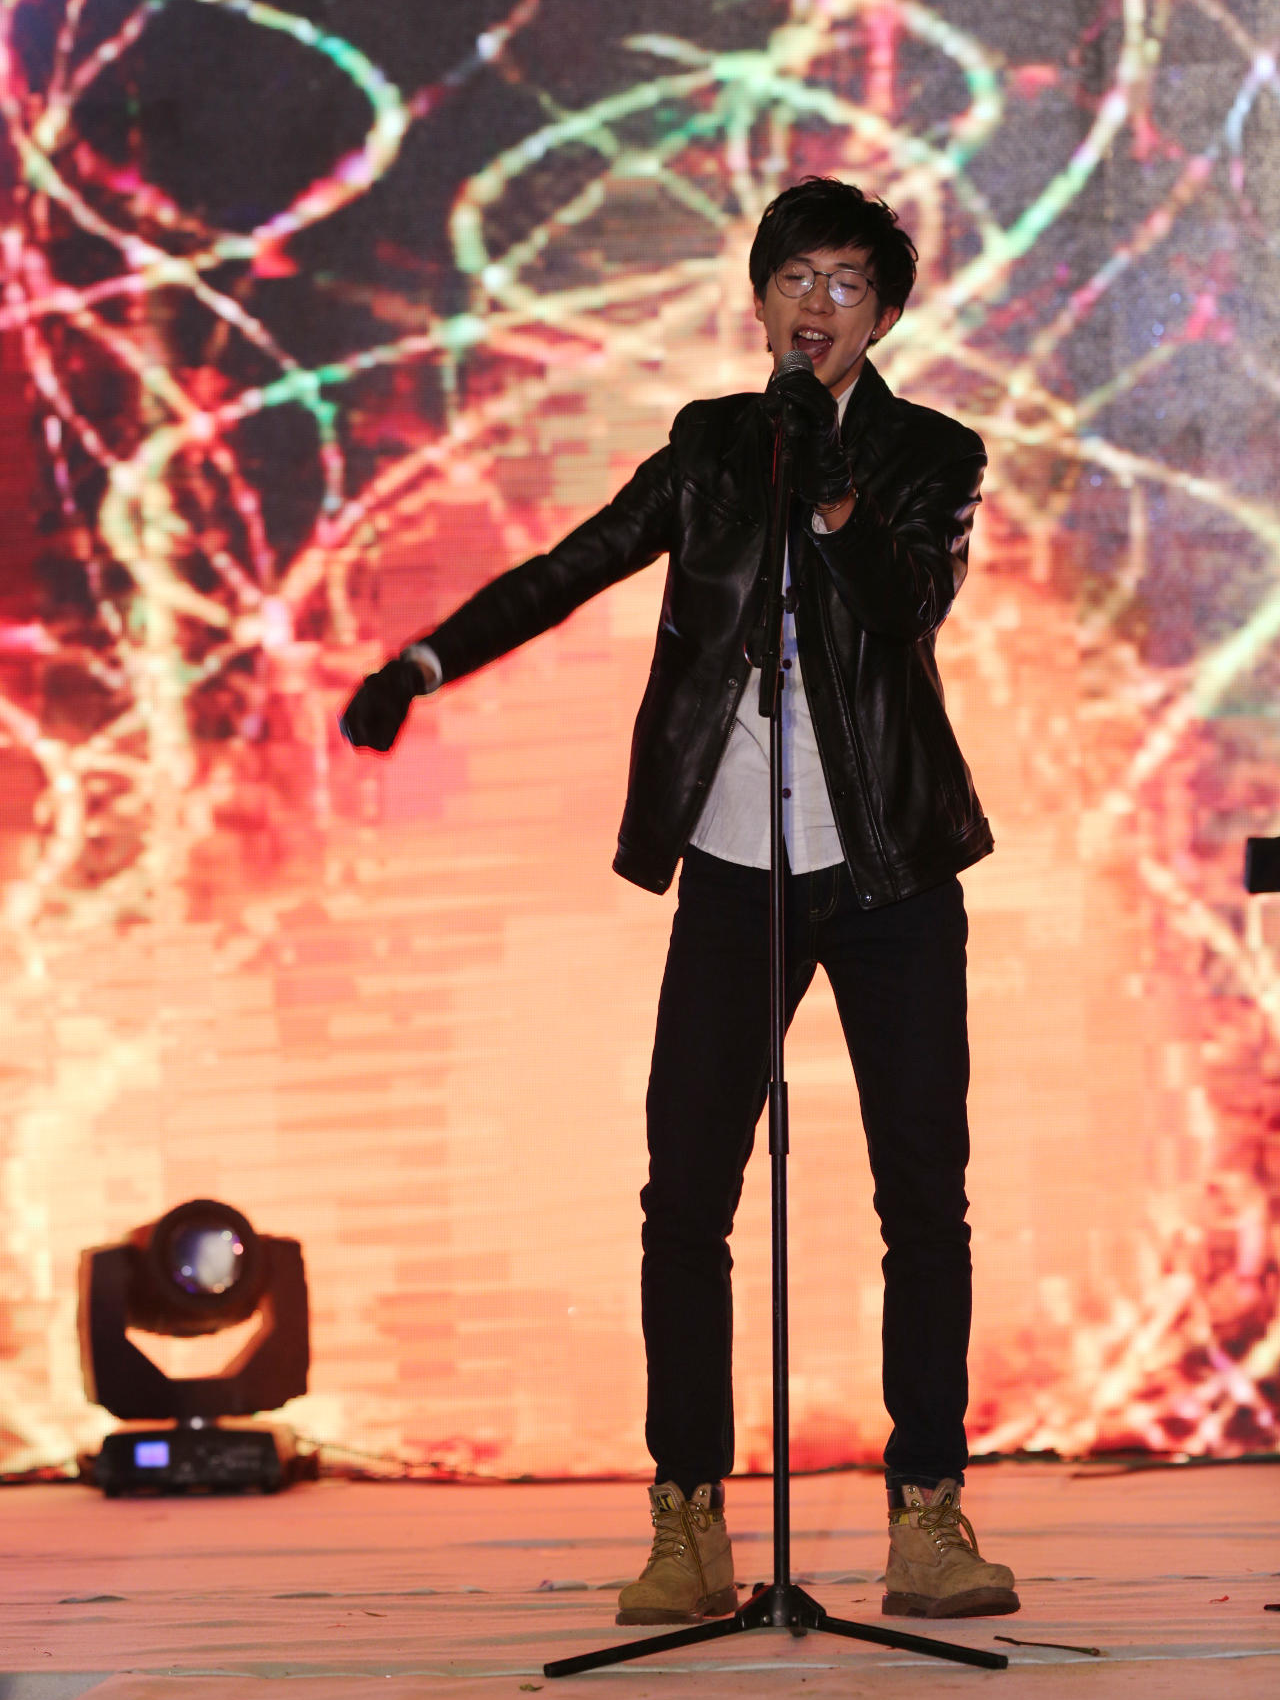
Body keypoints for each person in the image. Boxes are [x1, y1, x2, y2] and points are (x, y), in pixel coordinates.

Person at [341, 176, 1019, 1625]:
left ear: (884, 316)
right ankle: (689, 1522)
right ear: (760, 299)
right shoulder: (711, 446)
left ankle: (928, 1517)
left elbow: (908, 605)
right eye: (795, 277)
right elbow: (574, 567)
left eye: (847, 283)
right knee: (685, 1198)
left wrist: (827, 490)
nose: (816, 303)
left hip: (892, 871)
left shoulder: (933, 454)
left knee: (925, 1199)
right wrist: (424, 665)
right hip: (733, 866)